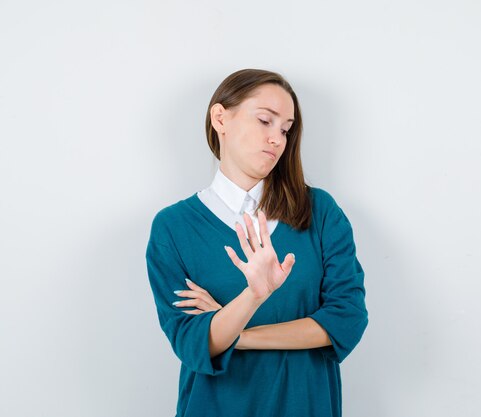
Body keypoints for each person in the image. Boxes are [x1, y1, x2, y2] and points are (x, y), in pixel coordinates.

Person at [145, 68, 368, 417]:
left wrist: (239, 333)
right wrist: (254, 294)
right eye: (265, 120)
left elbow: (347, 319)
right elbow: (194, 344)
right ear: (220, 118)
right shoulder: (173, 228)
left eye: (285, 129)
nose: (277, 139)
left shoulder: (319, 212)